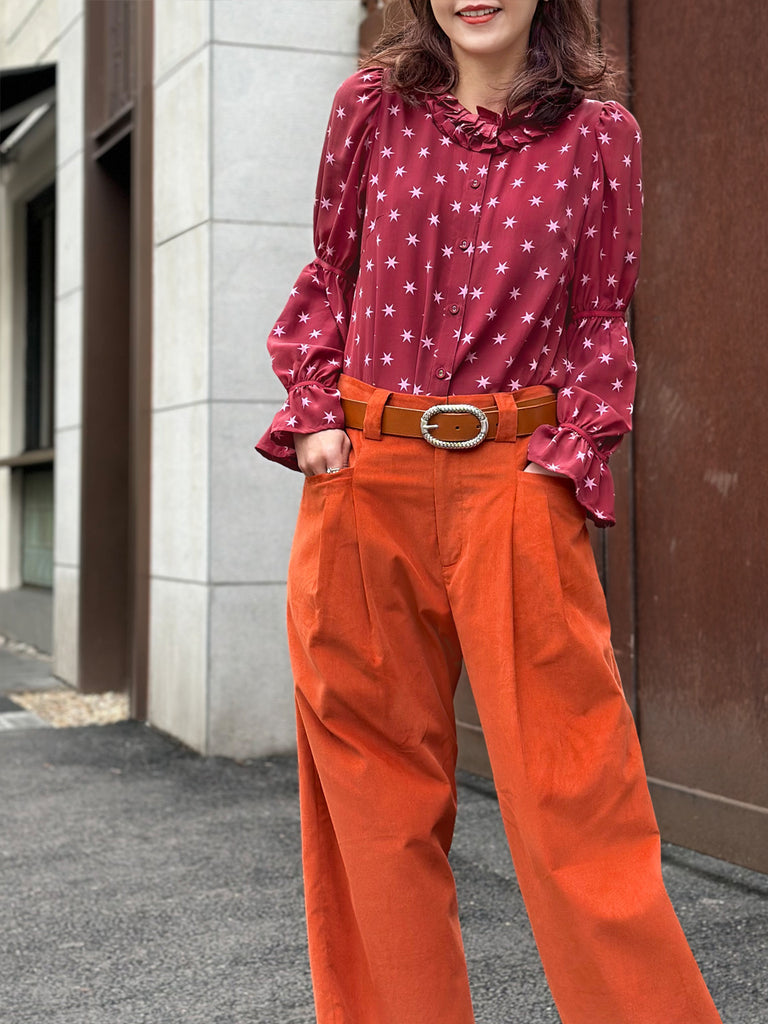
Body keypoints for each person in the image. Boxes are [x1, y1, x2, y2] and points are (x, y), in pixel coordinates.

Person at [257, 2, 724, 1021]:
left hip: (517, 479)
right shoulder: (368, 112)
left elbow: (601, 316)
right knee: (372, 821)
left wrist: (565, 460)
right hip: (365, 479)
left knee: (578, 799)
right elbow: (329, 283)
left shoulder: (603, 137)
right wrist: (315, 420)